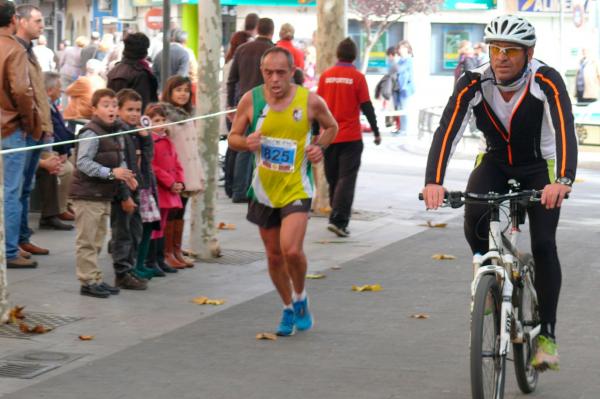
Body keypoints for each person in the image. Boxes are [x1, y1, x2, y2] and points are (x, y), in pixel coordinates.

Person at [422, 15, 578, 371]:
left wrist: (564, 180)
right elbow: (449, 129)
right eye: (496, 49)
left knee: (543, 244)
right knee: (473, 213)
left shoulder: (545, 79)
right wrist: (434, 179)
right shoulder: (474, 81)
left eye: (511, 50)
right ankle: (485, 272)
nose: (502, 57)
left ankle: (547, 335)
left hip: (542, 167)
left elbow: (565, 127)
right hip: (495, 161)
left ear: (528, 53)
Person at [228, 47, 338, 336]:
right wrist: (246, 142)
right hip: (263, 190)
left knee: (291, 250)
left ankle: (301, 297)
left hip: (296, 187)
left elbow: (331, 127)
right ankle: (288, 307)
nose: (274, 79)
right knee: (274, 256)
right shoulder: (251, 101)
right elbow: (233, 138)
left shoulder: (310, 101)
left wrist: (319, 147)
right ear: (262, 72)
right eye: (268, 72)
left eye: (280, 72)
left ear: (291, 72)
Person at [69, 88, 138, 298]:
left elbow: (120, 159)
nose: (111, 109)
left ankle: (96, 278)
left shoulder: (115, 131)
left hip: (102, 194)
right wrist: (111, 173)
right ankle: (87, 281)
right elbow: (82, 163)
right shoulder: (91, 132)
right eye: (106, 105)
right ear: (94, 109)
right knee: (87, 240)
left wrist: (126, 175)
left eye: (114, 105)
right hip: (88, 194)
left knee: (97, 239)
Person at [317, 38, 381, 237]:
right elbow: (367, 106)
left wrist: (313, 134)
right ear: (354, 56)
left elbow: (316, 106)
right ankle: (339, 220)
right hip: (350, 137)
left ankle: (335, 216)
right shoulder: (357, 77)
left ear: (337, 54)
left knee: (334, 178)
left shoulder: (325, 76)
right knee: (347, 179)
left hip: (328, 138)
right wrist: (376, 131)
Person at [14, 4, 54, 259]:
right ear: (20, 21)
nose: (42, 25)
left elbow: (38, 92)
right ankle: (12, 245)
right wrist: (30, 124)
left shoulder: (30, 51)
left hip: (36, 129)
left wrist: (44, 127)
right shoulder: (13, 49)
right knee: (15, 191)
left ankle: (22, 238)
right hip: (23, 130)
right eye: (37, 21)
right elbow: (20, 92)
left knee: (25, 189)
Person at [227, 17, 275, 203]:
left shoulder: (242, 49)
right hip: (267, 104)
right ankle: (254, 188)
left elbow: (232, 80)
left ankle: (239, 190)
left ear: (257, 29)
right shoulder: (273, 51)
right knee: (266, 147)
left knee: (244, 146)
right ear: (272, 31)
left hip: (243, 103)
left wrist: (231, 106)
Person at [109, 88, 153, 290]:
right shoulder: (119, 133)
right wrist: (125, 195)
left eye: (137, 109)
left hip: (138, 187)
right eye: (129, 109)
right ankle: (122, 272)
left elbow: (148, 159)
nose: (135, 114)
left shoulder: (135, 132)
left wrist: (145, 138)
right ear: (118, 110)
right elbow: (120, 164)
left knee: (136, 231)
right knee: (123, 233)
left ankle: (131, 267)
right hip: (123, 191)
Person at [161, 75, 205, 268]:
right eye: (178, 90)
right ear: (170, 92)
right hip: (172, 174)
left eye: (186, 90)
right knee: (171, 212)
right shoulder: (165, 116)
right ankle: (167, 252)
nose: (183, 94)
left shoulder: (188, 116)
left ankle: (176, 250)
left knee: (181, 211)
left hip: (187, 172)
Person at [146, 103, 184, 276]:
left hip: (170, 190)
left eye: (162, 120)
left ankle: (160, 259)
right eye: (156, 120)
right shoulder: (150, 141)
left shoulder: (168, 140)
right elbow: (153, 166)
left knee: (163, 225)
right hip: (159, 189)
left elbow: (177, 163)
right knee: (155, 226)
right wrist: (170, 182)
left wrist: (180, 181)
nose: (160, 123)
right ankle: (151, 260)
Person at [36, 71, 75, 231]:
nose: (62, 91)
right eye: (59, 87)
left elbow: (60, 132)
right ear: (50, 90)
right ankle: (53, 212)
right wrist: (63, 150)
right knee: (62, 168)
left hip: (52, 147)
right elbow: (52, 134)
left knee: (78, 159)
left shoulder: (51, 105)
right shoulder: (43, 106)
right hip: (44, 149)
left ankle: (66, 204)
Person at [222, 30, 252, 198]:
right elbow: (232, 84)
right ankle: (236, 188)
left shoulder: (231, 61)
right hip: (234, 110)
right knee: (238, 147)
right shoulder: (236, 62)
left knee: (233, 148)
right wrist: (232, 107)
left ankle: (231, 186)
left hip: (232, 109)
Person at [107, 32, 158, 111]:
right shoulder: (141, 73)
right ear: (144, 50)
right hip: (134, 120)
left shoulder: (115, 70)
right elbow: (144, 104)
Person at [394, 40, 415, 135]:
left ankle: (404, 130)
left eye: (403, 48)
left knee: (404, 109)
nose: (401, 50)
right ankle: (401, 128)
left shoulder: (408, 60)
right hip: (399, 88)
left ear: (407, 49)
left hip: (405, 89)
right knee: (400, 109)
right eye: (400, 48)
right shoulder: (400, 60)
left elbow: (399, 70)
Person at [59, 36, 87, 105]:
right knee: (75, 92)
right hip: (77, 73)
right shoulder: (83, 51)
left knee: (64, 92)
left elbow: (61, 61)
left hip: (65, 71)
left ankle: (65, 109)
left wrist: (60, 68)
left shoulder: (68, 49)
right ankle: (73, 108)